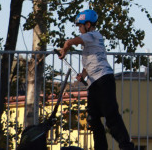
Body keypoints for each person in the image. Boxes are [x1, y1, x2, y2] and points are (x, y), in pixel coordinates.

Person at [57, 9, 136, 150]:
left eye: (80, 26)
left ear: (88, 24)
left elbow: (69, 42)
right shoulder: (91, 40)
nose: (79, 29)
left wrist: (64, 50)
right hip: (94, 82)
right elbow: (92, 61)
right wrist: (83, 75)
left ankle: (127, 146)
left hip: (104, 80)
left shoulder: (92, 35)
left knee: (111, 116)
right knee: (93, 118)